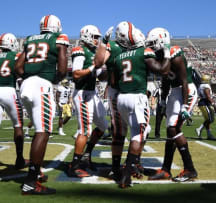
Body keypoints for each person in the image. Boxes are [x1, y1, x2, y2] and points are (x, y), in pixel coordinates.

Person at [112, 22, 170, 188]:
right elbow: (162, 70)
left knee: (142, 132)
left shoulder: (119, 57)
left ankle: (132, 164)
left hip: (121, 97)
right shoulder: (143, 51)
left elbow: (114, 80)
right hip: (137, 96)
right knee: (138, 134)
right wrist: (165, 52)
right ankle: (127, 174)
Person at [15, 14, 68, 195]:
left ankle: (36, 172)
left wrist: (30, 76)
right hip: (41, 86)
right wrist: (50, 79)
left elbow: (18, 68)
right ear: (57, 26)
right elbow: (62, 69)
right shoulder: (58, 38)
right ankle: (31, 182)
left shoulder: (30, 39)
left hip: (26, 86)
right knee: (43, 131)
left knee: (39, 129)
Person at [146, 27, 198, 182]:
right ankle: (166, 169)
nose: (151, 46)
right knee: (170, 132)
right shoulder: (160, 56)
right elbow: (166, 80)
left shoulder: (175, 54)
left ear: (162, 40)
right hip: (174, 92)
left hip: (186, 90)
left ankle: (190, 169)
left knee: (173, 128)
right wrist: (162, 99)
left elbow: (183, 80)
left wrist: (184, 106)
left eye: (153, 43)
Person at [0, 32, 27, 176]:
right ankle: (19, 159)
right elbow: (21, 73)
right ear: (11, 43)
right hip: (9, 91)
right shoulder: (15, 56)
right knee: (18, 125)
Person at [67, 24, 108, 178]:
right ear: (86, 36)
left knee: (103, 126)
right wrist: (93, 67)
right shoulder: (80, 50)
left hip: (92, 93)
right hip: (82, 93)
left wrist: (105, 68)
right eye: (95, 37)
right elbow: (76, 74)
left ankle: (86, 154)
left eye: (98, 38)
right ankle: (74, 165)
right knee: (84, 130)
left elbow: (100, 75)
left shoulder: (92, 52)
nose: (97, 40)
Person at [93, 25, 127, 181]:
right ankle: (115, 167)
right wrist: (104, 42)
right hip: (117, 91)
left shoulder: (136, 48)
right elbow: (99, 64)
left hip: (132, 91)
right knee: (119, 131)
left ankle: (134, 162)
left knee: (143, 129)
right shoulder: (113, 46)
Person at [195, 74, 216, 140]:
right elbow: (208, 96)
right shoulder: (206, 86)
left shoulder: (200, 85)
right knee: (210, 119)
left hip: (202, 102)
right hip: (205, 103)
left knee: (208, 120)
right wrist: (214, 105)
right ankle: (199, 129)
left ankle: (209, 134)